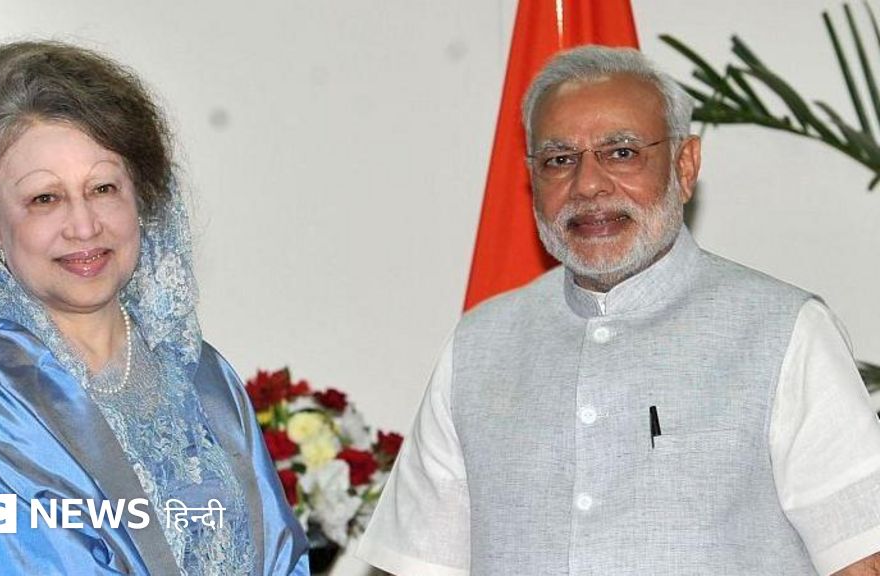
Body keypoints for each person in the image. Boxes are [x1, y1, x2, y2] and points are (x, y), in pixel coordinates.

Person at [357, 45, 880, 575]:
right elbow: (421, 563)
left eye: (621, 152)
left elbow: (862, 554)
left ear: (684, 166)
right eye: (559, 160)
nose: (587, 185)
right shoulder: (480, 346)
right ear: (532, 180)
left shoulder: (783, 332)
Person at [0, 41, 308, 575]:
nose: (84, 226)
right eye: (45, 198)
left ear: (141, 199)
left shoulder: (201, 374)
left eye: (103, 188)